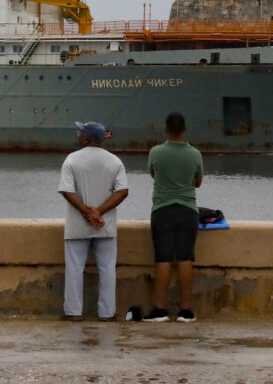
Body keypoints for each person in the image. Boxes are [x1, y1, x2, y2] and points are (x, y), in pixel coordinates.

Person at [58, 121, 128, 321]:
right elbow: (123, 191)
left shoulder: (72, 160)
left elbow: (66, 190)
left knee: (74, 268)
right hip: (105, 226)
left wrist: (86, 212)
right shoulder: (115, 161)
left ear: (87, 138)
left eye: (80, 133)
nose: (77, 136)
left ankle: (73, 312)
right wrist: (99, 212)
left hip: (77, 226)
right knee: (107, 269)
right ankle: (106, 313)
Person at [143, 111, 203, 323]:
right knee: (186, 258)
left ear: (166, 129)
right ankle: (186, 310)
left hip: (162, 210)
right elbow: (197, 182)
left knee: (163, 258)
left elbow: (153, 174)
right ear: (184, 128)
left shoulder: (156, 152)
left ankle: (160, 309)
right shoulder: (195, 154)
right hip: (188, 209)